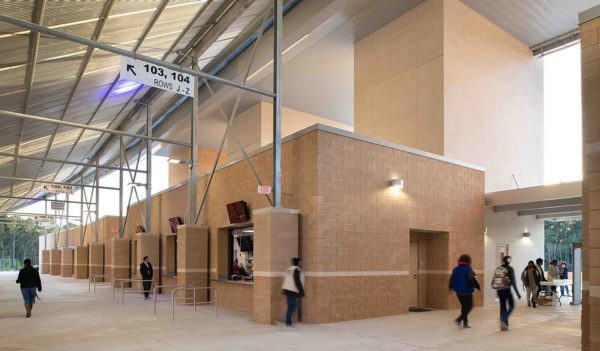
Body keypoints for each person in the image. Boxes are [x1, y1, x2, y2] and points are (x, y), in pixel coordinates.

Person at [449, 254, 480, 328]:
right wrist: (478, 286)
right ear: (468, 261)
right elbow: (473, 279)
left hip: (458, 291)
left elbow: (451, 279)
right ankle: (459, 319)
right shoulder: (468, 269)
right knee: (469, 307)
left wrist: (450, 288)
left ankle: (465, 323)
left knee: (464, 306)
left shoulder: (455, 269)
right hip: (467, 291)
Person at [491, 255, 521, 331]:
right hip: (506, 289)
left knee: (503, 306)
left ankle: (504, 327)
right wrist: (517, 293)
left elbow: (493, 281)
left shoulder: (498, 268)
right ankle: (503, 319)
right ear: (509, 261)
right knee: (512, 305)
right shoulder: (510, 268)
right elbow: (513, 282)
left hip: (499, 290)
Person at [282, 257, 305, 328]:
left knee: (292, 307)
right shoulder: (296, 270)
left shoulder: (289, 269)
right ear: (298, 263)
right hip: (292, 290)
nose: (302, 263)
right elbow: (297, 281)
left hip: (287, 289)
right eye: (301, 262)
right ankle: (288, 323)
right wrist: (301, 291)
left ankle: (288, 322)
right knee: (293, 307)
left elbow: (286, 279)